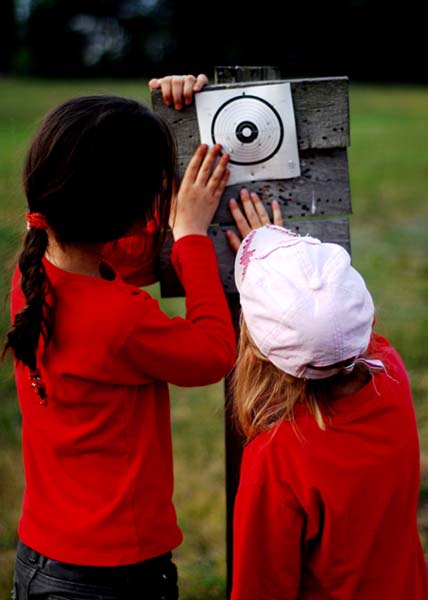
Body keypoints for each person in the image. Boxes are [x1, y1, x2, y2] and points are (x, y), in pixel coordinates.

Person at [3, 74, 236, 600]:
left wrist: (176, 114)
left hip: (40, 558)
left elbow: (122, 253)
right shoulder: (121, 318)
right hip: (115, 574)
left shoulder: (33, 270)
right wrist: (192, 236)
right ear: (131, 209)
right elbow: (213, 354)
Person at [226, 193, 428, 599]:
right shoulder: (390, 375)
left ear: (255, 343)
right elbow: (334, 333)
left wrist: (272, 265)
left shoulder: (276, 458)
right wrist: (293, 271)